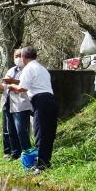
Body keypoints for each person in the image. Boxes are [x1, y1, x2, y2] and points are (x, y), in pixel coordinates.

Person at [5, 46, 58, 175]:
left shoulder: (28, 68)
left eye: (20, 56)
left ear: (24, 57)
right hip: (51, 100)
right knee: (48, 134)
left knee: (40, 133)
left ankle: (41, 165)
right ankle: (45, 161)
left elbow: (22, 88)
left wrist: (10, 86)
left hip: (40, 102)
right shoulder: (42, 68)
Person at [0, 48, 33, 159]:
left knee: (21, 130)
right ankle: (14, 153)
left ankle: (26, 152)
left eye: (20, 56)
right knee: (10, 130)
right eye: (16, 56)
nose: (18, 58)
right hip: (8, 102)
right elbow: (4, 86)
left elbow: (27, 85)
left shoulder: (28, 70)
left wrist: (13, 82)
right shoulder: (11, 70)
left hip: (21, 104)